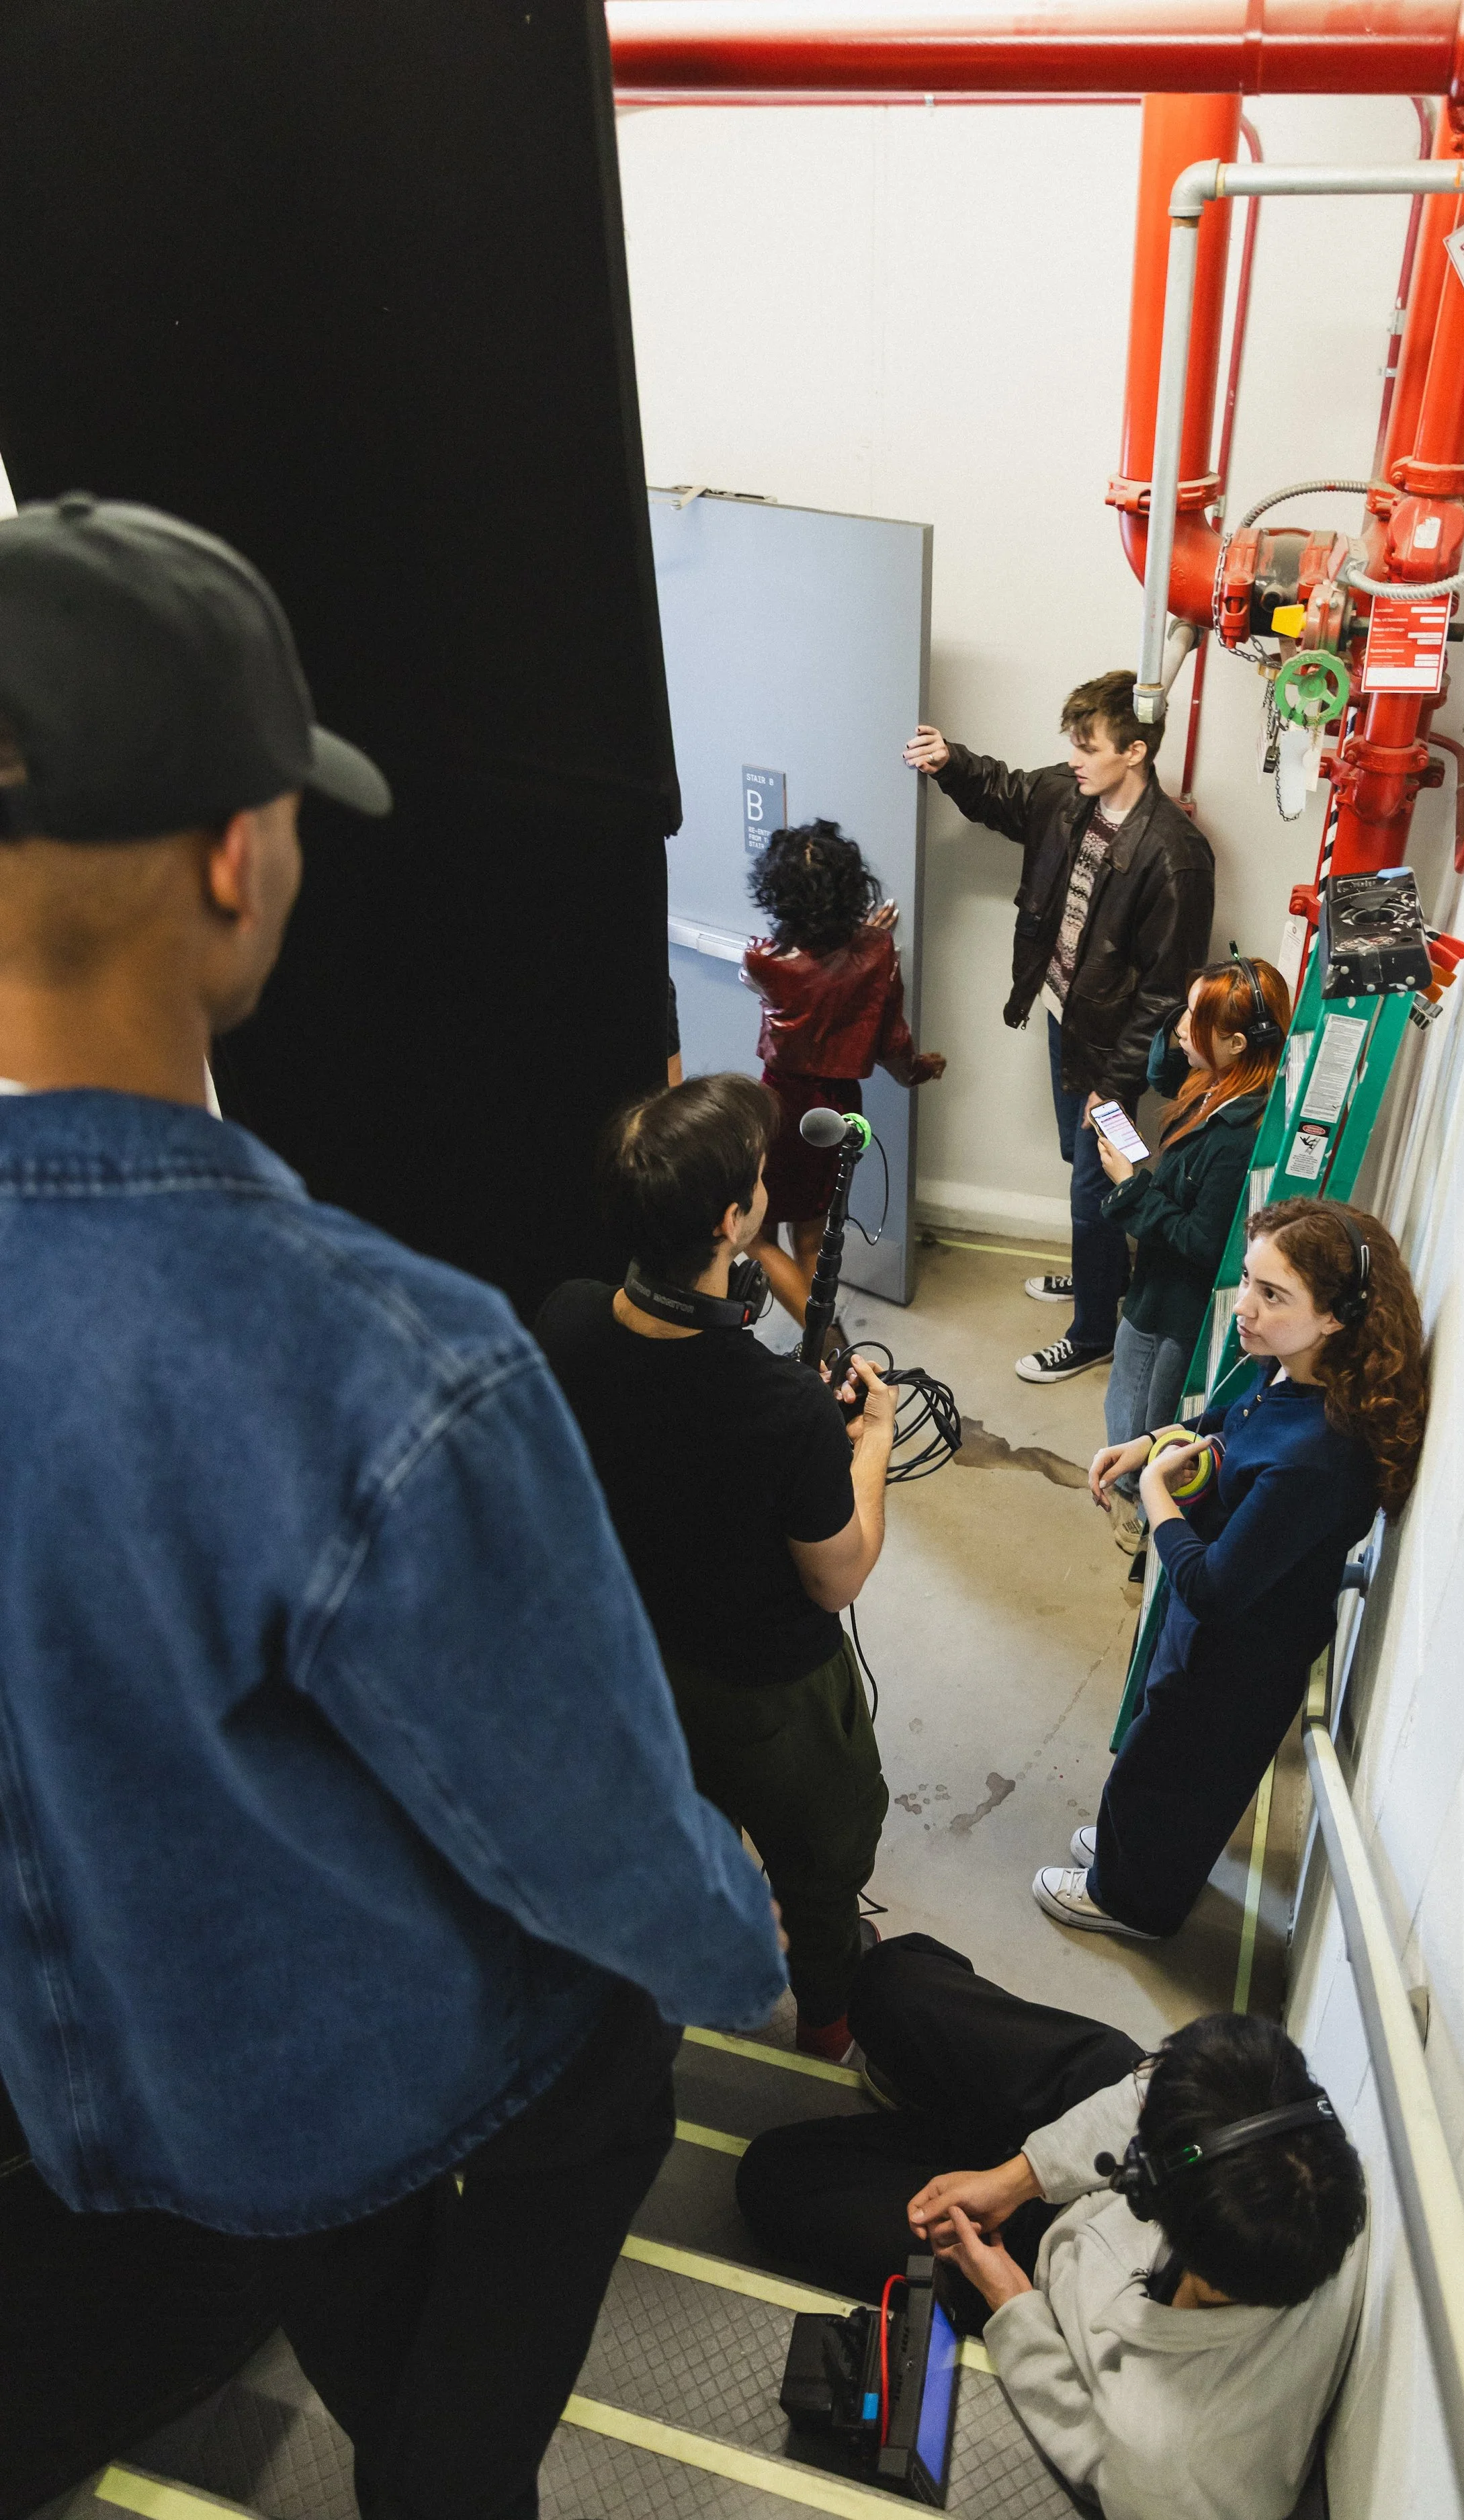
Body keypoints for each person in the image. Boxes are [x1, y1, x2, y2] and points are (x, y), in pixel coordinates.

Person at [0, 495, 787, 2520]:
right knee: (601, 2103)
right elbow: (580, 1824)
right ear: (235, 856)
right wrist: (738, 1937)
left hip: (135, 2090)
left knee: (363, 2314)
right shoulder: (385, 1365)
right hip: (400, 2073)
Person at [737, 1933, 1368, 2520]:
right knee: (888, 1980)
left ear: (1144, 2193)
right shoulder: (1310, 2166)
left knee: (774, 2177)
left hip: (1032, 2270)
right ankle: (955, 2121)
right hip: (1074, 2172)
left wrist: (1010, 2301)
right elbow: (1144, 2095)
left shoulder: (1174, 2464)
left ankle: (945, 2120)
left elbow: (1089, 2444)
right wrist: (1019, 2176)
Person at [535, 1074, 896, 2061]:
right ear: (732, 1222)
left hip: (632, 1661)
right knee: (819, 1862)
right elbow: (836, 1578)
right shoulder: (783, 1407)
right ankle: (827, 2019)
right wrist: (867, 1445)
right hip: (765, 1694)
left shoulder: (566, 1319)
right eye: (760, 1179)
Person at [1038, 1200, 1426, 1941]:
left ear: (1337, 1315)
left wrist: (1155, 1493)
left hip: (1234, 1659)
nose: (1244, 1307)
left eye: (1272, 1295)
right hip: (1218, 1641)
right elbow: (1233, 1421)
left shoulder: (1316, 1456)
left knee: (1168, 1775)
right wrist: (1157, 1439)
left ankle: (1129, 1901)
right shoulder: (1295, 1371)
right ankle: (1131, 1854)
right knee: (1157, 1760)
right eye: (1249, 1280)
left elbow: (1213, 1590)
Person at [905, 671, 1212, 1386]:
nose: (1074, 758)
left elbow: (1165, 993)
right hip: (1065, 1021)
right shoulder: (1070, 797)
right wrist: (950, 760)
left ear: (1134, 752)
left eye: (1088, 746)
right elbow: (1007, 792)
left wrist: (1113, 1085)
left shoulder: (1175, 856)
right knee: (1084, 1163)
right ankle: (1102, 1275)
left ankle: (1093, 1332)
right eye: (1072, 743)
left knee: (1096, 1184)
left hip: (1115, 1052)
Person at [1094, 956, 1291, 1556]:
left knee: (1140, 1420)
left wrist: (1130, 1186)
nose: (1181, 1027)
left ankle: (1140, 1519)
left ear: (1236, 1043)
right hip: (1155, 1294)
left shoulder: (1237, 1136)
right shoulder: (1219, 1083)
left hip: (1171, 1311)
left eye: (1196, 1018)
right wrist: (1185, 1022)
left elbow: (1204, 1243)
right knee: (1127, 1405)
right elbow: (1163, 1067)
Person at [742, 818, 944, 1328]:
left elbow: (768, 978)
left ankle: (826, 1347)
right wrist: (917, 1072)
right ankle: (827, 1351)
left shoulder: (762, 960)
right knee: (814, 1240)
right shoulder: (877, 953)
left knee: (756, 1234)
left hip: (778, 1102)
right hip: (836, 1108)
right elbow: (892, 1042)